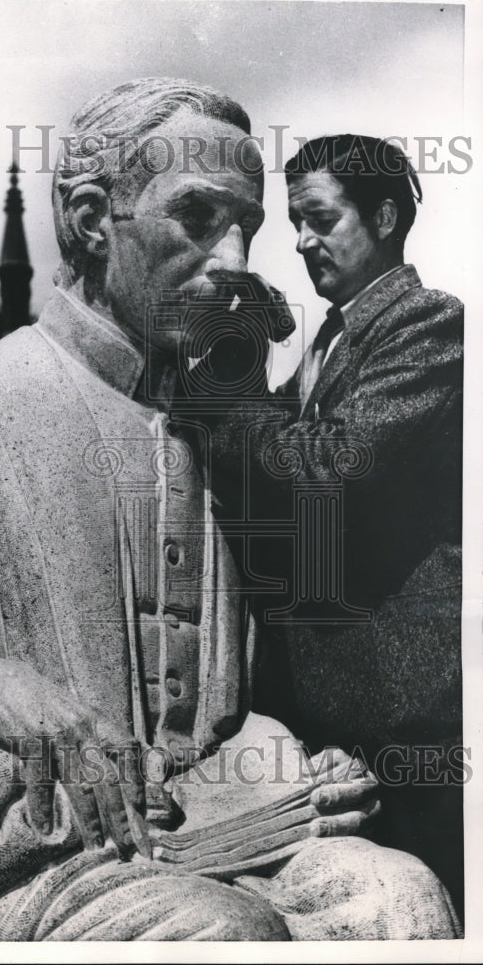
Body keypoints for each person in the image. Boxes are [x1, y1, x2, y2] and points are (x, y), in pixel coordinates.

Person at [0, 84, 460, 943]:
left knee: (402, 897)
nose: (235, 259)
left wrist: (299, 770)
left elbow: (220, 711)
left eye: (249, 226)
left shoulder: (219, 436)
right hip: (22, 851)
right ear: (92, 219)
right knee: (223, 932)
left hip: (212, 824)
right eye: (197, 217)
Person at [197, 135, 463, 916]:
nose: (303, 241)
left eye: (319, 218)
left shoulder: (428, 324)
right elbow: (264, 457)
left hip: (403, 720)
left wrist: (232, 384)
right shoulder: (330, 339)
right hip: (332, 719)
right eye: (294, 223)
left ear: (382, 215)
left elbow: (327, 467)